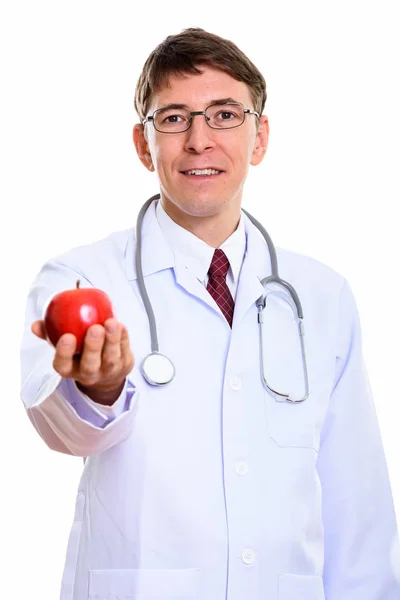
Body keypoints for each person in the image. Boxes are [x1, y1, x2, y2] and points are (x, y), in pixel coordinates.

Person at [20, 27, 400, 600]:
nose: (199, 139)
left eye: (225, 114)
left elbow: (358, 506)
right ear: (143, 144)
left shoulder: (322, 297)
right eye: (173, 118)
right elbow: (59, 427)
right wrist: (99, 389)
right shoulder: (82, 278)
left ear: (260, 137)